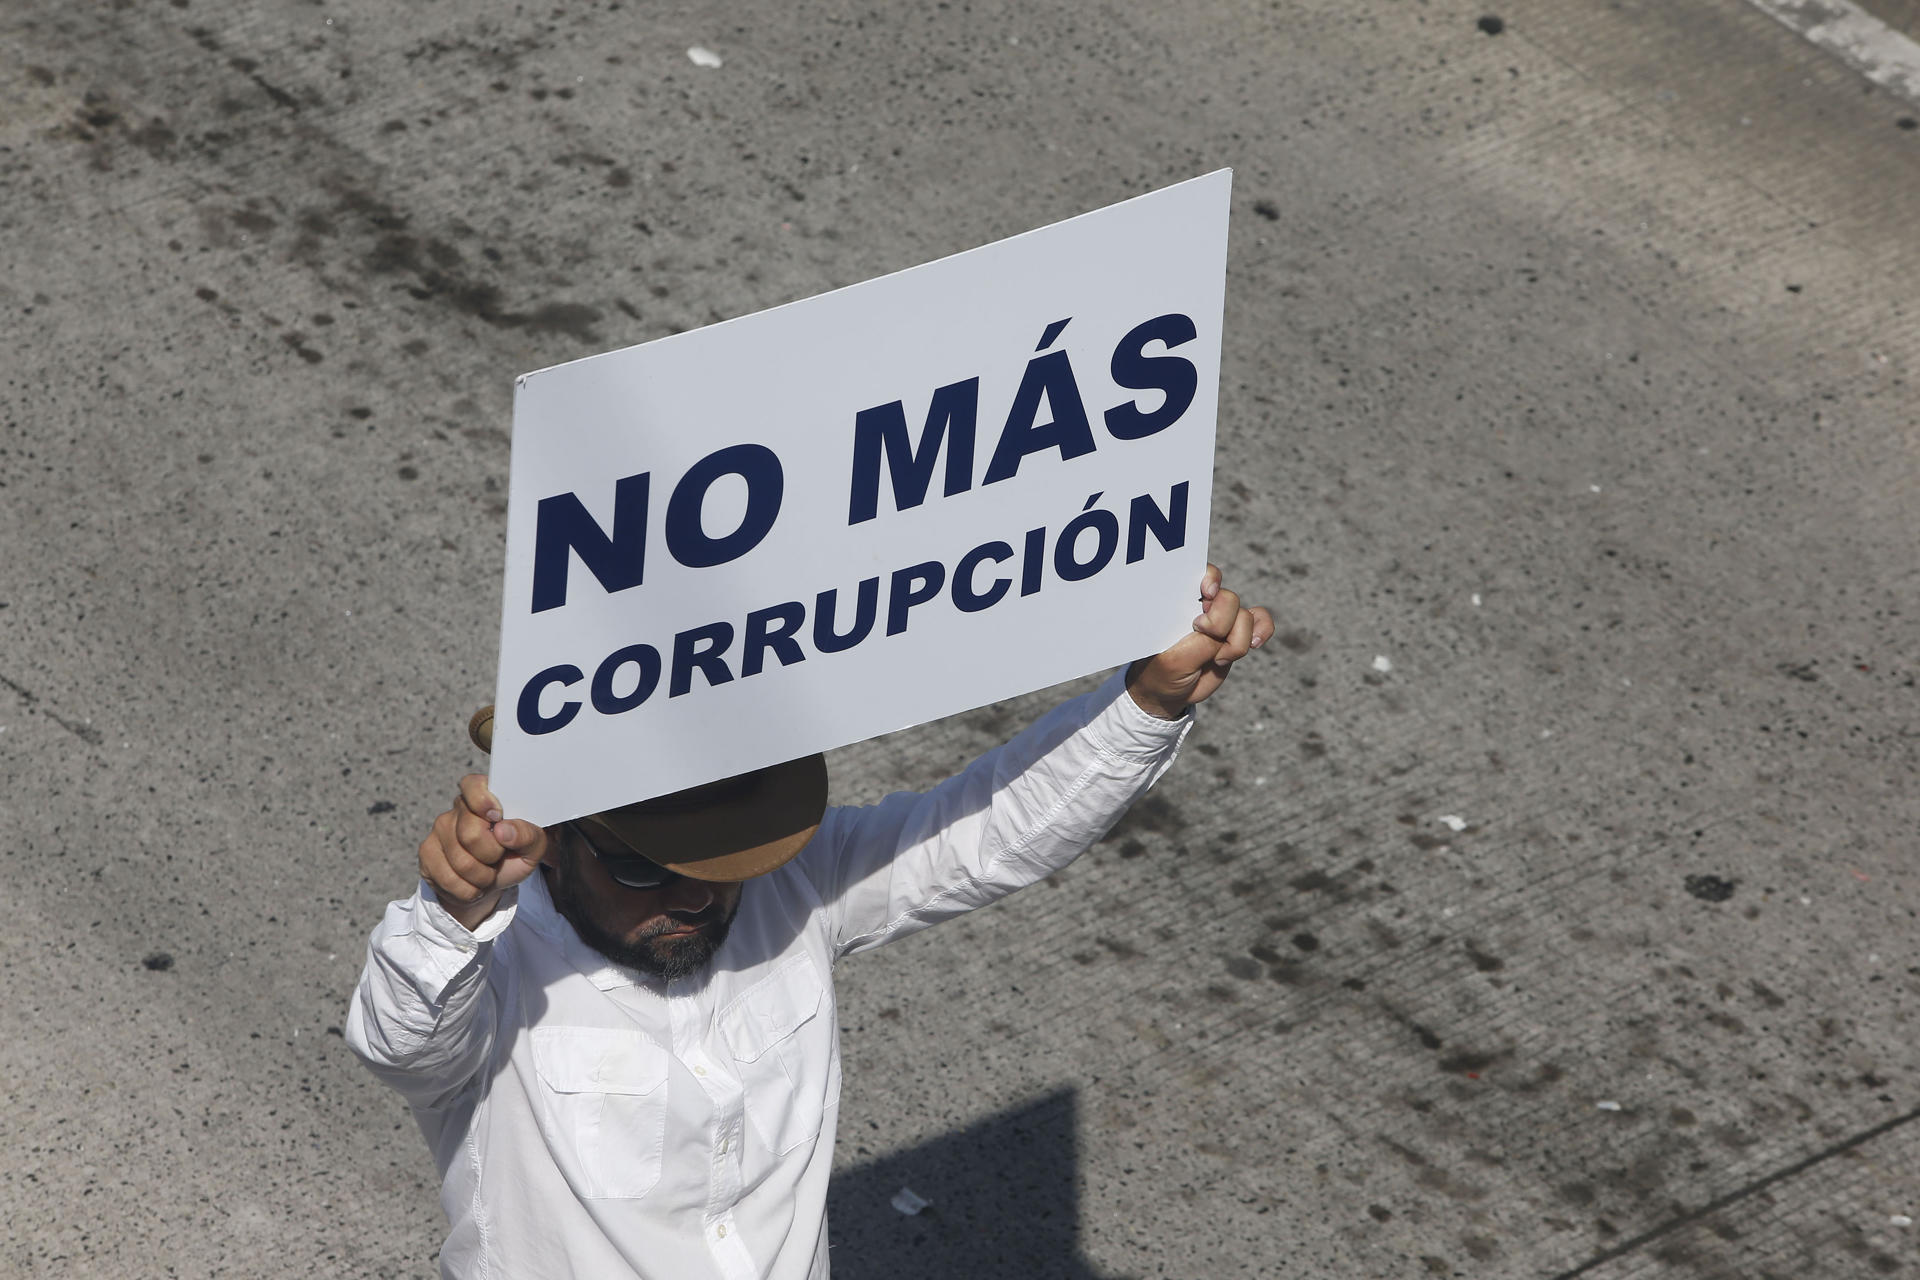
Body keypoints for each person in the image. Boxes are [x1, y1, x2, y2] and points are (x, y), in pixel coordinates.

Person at [346, 565, 1273, 1280]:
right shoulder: (488, 967)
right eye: (638, 865)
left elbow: (982, 835)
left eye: (722, 866)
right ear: (551, 839)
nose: (692, 899)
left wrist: (1146, 703)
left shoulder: (794, 886)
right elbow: (400, 1045)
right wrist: (451, 912)